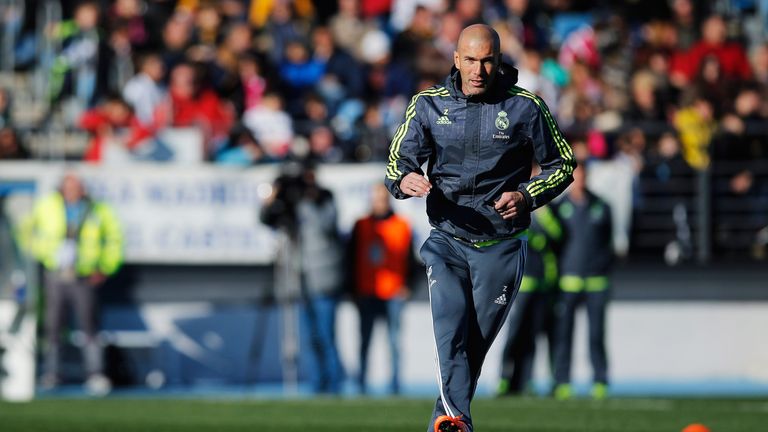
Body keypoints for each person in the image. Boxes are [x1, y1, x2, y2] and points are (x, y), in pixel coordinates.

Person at [384, 24, 575, 432]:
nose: (479, 69)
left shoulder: (526, 107)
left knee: (474, 345)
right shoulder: (427, 105)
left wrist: (526, 195)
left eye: (488, 60)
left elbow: (563, 166)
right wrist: (403, 180)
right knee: (449, 331)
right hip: (447, 242)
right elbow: (397, 160)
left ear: (499, 60)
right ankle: (457, 423)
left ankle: (446, 417)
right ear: (455, 59)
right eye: (470, 60)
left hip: (502, 246)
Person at [19, 173, 123, 395]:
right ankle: (52, 373)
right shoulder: (47, 206)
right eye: (69, 186)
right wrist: (44, 254)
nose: (73, 190)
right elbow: (27, 232)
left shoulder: (97, 209)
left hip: (83, 274)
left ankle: (95, 373)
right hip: (55, 273)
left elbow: (114, 239)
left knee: (89, 325)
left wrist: (105, 266)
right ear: (62, 188)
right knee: (53, 326)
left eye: (77, 186)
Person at [260, 160, 345, 394]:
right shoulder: (291, 204)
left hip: (324, 278)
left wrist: (307, 199)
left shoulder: (324, 198)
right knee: (310, 338)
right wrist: (273, 200)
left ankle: (335, 384)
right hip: (299, 278)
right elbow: (268, 221)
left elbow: (324, 226)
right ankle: (317, 385)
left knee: (326, 335)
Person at [551, 164, 613, 400]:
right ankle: (562, 381)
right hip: (568, 283)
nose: (580, 182)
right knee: (564, 336)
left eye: (584, 177)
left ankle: (600, 381)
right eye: (576, 178)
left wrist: (604, 269)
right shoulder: (560, 207)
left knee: (596, 335)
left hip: (596, 282)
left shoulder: (602, 206)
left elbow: (608, 242)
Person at [348, 183, 414, 395]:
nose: (379, 203)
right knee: (364, 342)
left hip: (393, 292)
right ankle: (361, 386)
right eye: (376, 199)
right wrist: (352, 289)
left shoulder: (402, 225)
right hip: (367, 291)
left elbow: (412, 259)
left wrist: (408, 286)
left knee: (394, 343)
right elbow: (350, 258)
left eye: (382, 199)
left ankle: (395, 386)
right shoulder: (361, 225)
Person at [497, 203, 561, 396]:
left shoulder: (547, 210)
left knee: (532, 337)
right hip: (520, 284)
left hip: (541, 283)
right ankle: (504, 379)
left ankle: (526, 380)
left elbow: (558, 234)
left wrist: (542, 213)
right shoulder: (513, 206)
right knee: (514, 335)